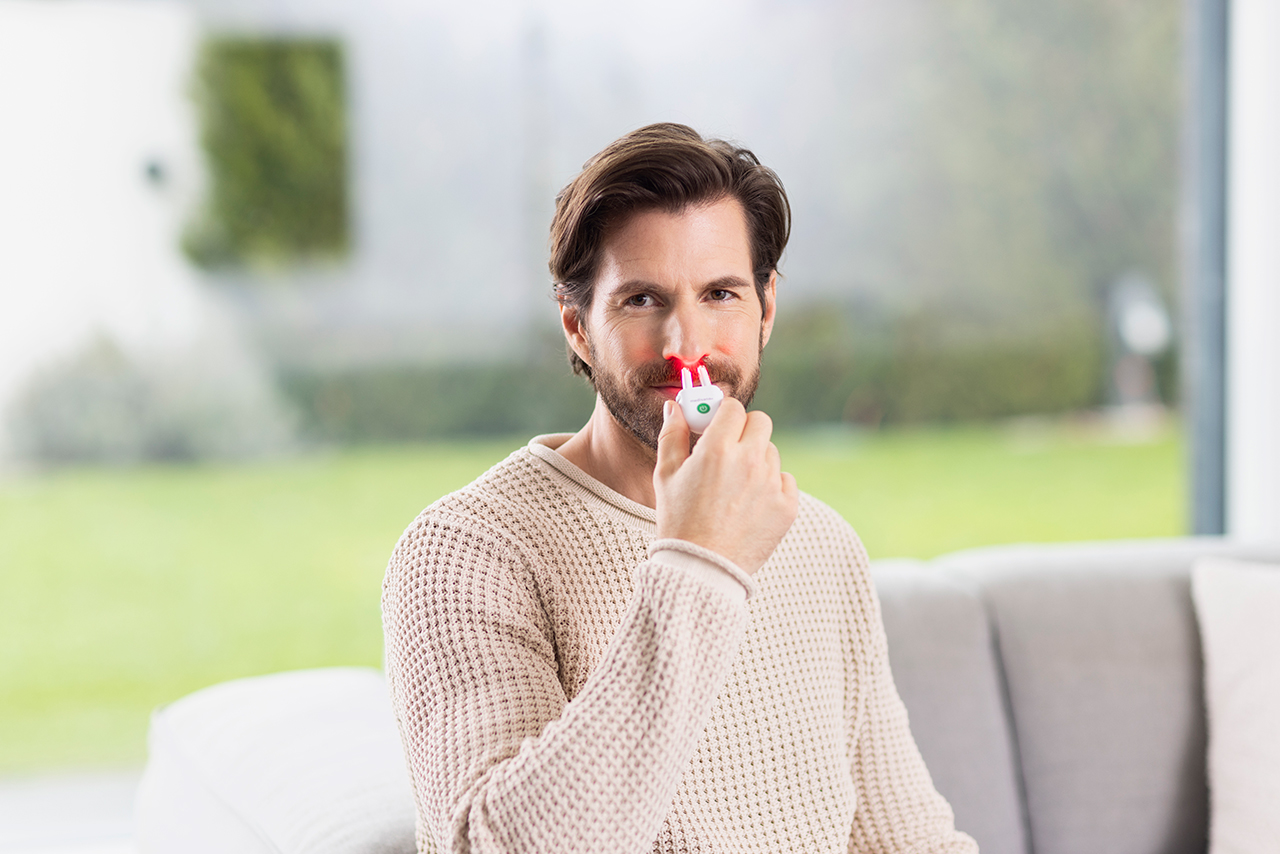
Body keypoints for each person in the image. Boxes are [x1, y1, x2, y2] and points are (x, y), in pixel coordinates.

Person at [382, 123, 979, 853]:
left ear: (766, 310)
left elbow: (908, 838)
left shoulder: (822, 542)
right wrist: (698, 565)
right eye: (641, 301)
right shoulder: (465, 551)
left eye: (721, 293)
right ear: (576, 325)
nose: (685, 347)